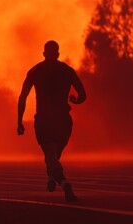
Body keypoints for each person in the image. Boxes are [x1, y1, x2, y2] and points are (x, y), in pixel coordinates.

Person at [17, 40, 86, 202]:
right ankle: (52, 177)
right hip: (63, 120)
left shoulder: (35, 71)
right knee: (54, 156)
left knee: (51, 156)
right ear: (58, 54)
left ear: (44, 54)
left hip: (44, 119)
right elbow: (83, 95)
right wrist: (75, 101)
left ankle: (64, 182)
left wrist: (19, 121)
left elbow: (22, 98)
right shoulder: (67, 71)